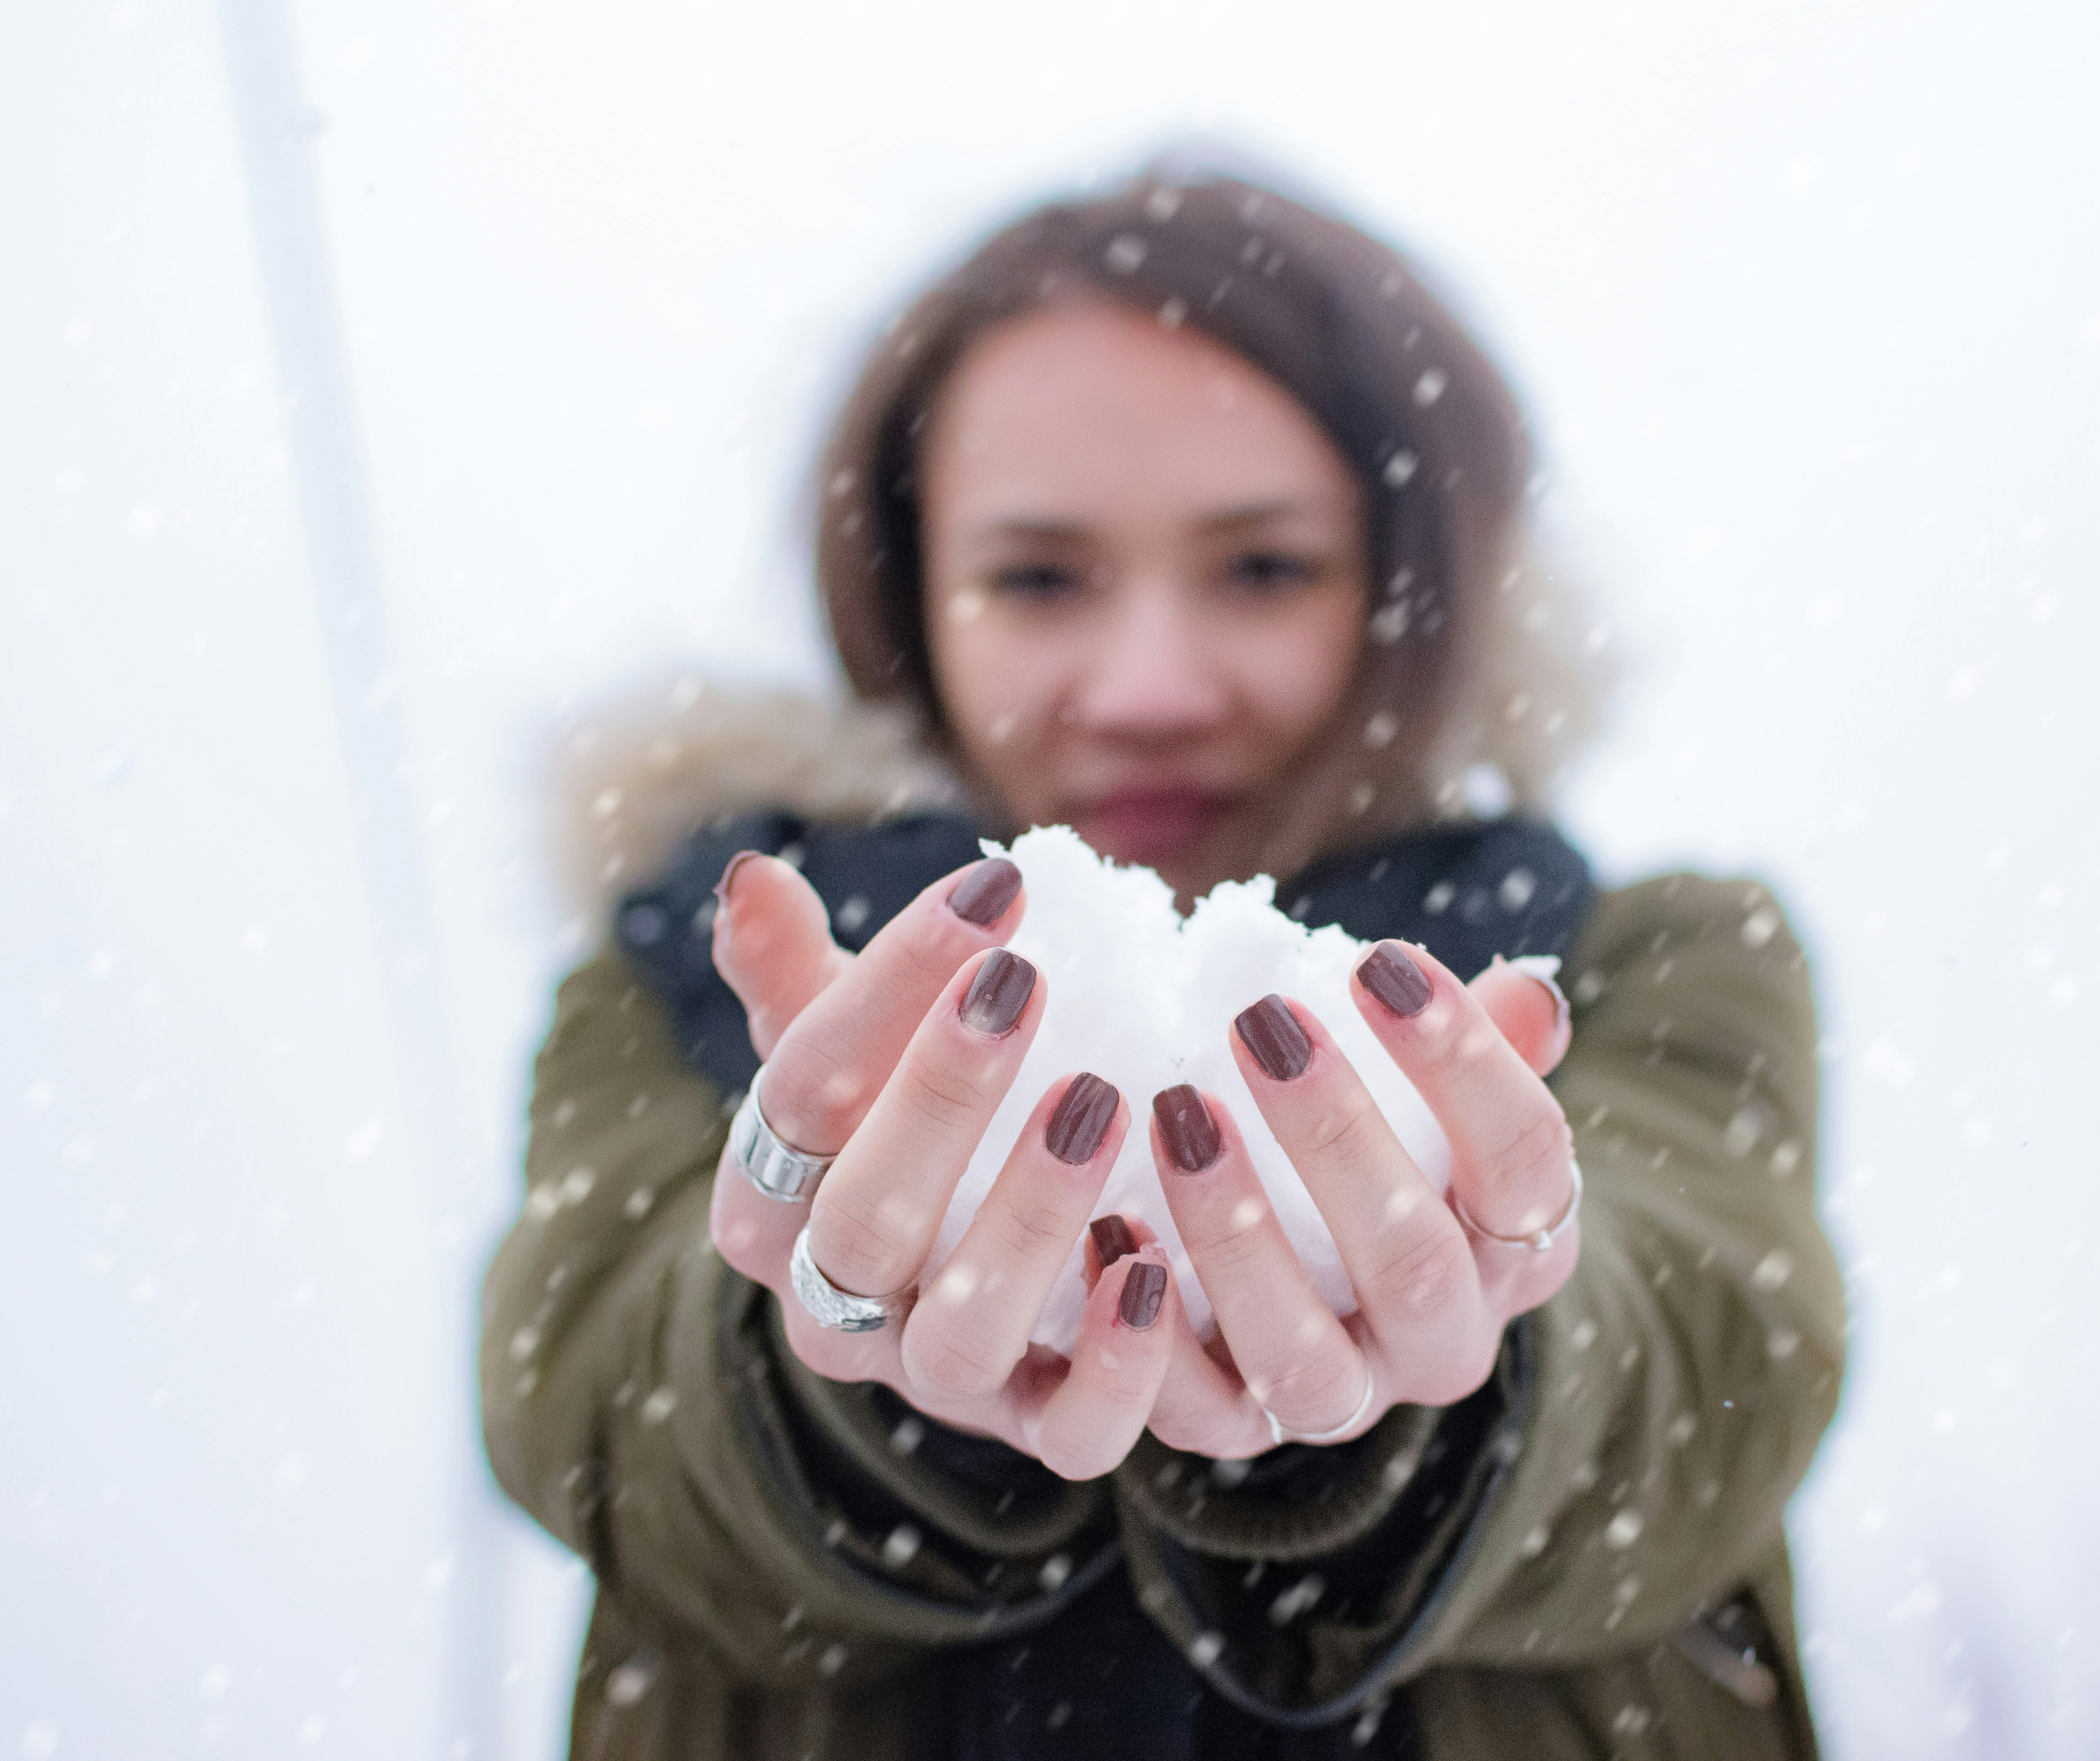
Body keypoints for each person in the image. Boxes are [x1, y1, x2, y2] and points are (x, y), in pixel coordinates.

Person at [480, 164, 1844, 1760]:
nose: (1146, 685)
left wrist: (1452, 1363)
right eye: (1040, 577)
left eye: (1263, 567)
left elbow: (1711, 1370)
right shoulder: (683, 977)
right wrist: (841, 1381)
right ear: (911, 599)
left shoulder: (1649, 959)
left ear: (1422, 586)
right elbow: (593, 1417)